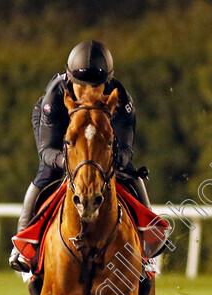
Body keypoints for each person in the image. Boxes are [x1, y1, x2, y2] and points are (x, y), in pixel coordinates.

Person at [9, 40, 151, 272]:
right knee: (46, 173)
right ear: (70, 80)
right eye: (80, 86)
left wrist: (105, 161)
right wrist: (70, 161)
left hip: (101, 130)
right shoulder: (56, 95)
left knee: (130, 174)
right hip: (61, 125)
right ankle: (23, 243)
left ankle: (148, 238)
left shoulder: (120, 98)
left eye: (95, 87)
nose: (87, 94)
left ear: (106, 83)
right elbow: (47, 152)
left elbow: (125, 151)